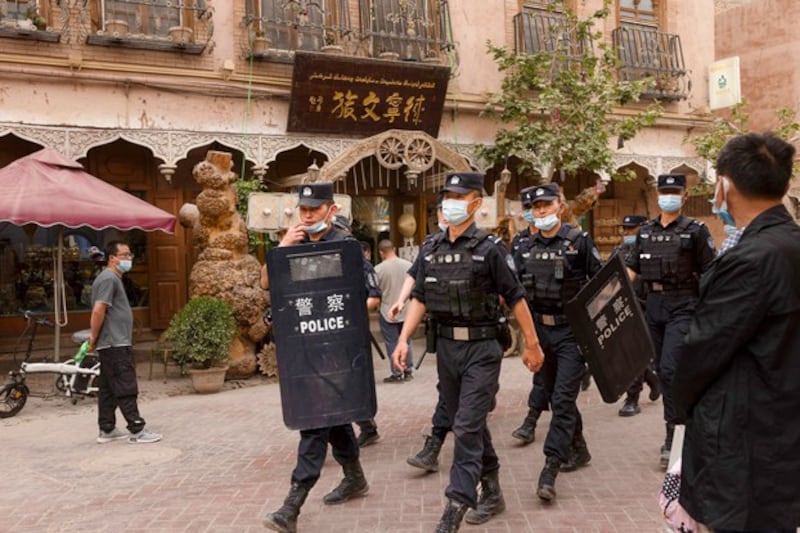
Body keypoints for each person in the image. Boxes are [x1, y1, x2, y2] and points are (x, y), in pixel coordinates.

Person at [392, 172, 545, 531]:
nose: (450, 202)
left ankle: (456, 505)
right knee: (471, 423)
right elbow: (420, 298)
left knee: (465, 426)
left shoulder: (490, 249)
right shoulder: (431, 248)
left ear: (476, 205)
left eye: (459, 197)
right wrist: (402, 339)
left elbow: (516, 297)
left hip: (482, 349)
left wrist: (533, 344)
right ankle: (492, 491)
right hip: (446, 349)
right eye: (447, 195)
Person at [673, 132, 800, 532]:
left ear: (725, 185)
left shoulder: (752, 259)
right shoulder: (788, 243)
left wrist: (678, 404)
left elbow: (703, 349)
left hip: (746, 434)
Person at [262, 182, 381, 533]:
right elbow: (267, 283)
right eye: (304, 209)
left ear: (332, 210)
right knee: (335, 417)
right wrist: (282, 248)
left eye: (315, 208)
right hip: (303, 350)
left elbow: (372, 295)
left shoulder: (346, 247)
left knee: (314, 423)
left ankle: (292, 504)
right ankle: (355, 477)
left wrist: (344, 323)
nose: (308, 214)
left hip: (337, 351)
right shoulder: (291, 245)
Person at [512, 183, 603, 502]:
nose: (541, 211)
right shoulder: (523, 247)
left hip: (571, 334)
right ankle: (579, 449)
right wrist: (528, 339)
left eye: (547, 205)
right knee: (554, 396)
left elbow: (602, 286)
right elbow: (516, 296)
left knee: (563, 400)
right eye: (536, 207)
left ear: (560, 206)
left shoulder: (579, 243)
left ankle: (550, 466)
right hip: (541, 333)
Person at [625, 173, 716, 469]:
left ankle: (673, 438)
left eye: (674, 191)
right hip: (653, 306)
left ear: (684, 196)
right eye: (664, 191)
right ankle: (680, 429)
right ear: (657, 195)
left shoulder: (696, 231)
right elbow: (631, 271)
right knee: (663, 374)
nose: (668, 196)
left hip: (684, 305)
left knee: (670, 369)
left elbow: (710, 273)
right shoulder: (646, 231)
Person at [391, 202, 453, 473]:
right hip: (446, 337)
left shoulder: (486, 246)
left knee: (466, 409)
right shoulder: (431, 246)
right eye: (443, 211)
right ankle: (436, 447)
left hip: (480, 341)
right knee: (451, 395)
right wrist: (401, 301)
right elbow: (414, 277)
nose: (447, 216)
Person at [89, 241, 161, 445]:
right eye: (125, 255)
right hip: (114, 343)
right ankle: (137, 429)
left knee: (108, 388)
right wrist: (93, 336)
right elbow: (98, 310)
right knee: (125, 384)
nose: (129, 259)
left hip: (112, 342)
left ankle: (107, 428)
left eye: (129, 255)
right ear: (112, 258)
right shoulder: (109, 278)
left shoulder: (111, 278)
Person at [613, 215, 660, 417]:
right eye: (625, 230)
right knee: (629, 354)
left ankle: (632, 398)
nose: (628, 234)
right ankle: (651, 378)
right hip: (624, 307)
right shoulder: (619, 251)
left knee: (636, 352)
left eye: (632, 230)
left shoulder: (652, 249)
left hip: (646, 306)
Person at [374, 239, 414, 382]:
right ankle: (408, 369)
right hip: (407, 310)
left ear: (380, 252)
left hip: (387, 311)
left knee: (392, 342)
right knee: (406, 340)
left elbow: (375, 292)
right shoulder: (409, 266)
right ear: (395, 249)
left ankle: (397, 372)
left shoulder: (378, 270)